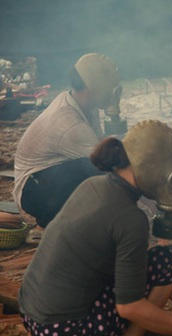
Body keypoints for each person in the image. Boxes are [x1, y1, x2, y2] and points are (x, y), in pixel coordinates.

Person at [18, 120, 172, 336]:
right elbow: (129, 307)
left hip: (32, 315)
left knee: (159, 266)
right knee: (166, 264)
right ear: (157, 170)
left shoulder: (94, 185)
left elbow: (103, 254)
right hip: (65, 332)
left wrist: (160, 282)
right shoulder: (130, 218)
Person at [13, 53, 125, 228]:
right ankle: (52, 218)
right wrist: (153, 196)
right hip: (33, 190)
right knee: (94, 167)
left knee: (95, 165)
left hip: (48, 176)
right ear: (93, 88)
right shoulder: (68, 123)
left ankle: (73, 214)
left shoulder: (83, 105)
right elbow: (111, 166)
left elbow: (102, 143)